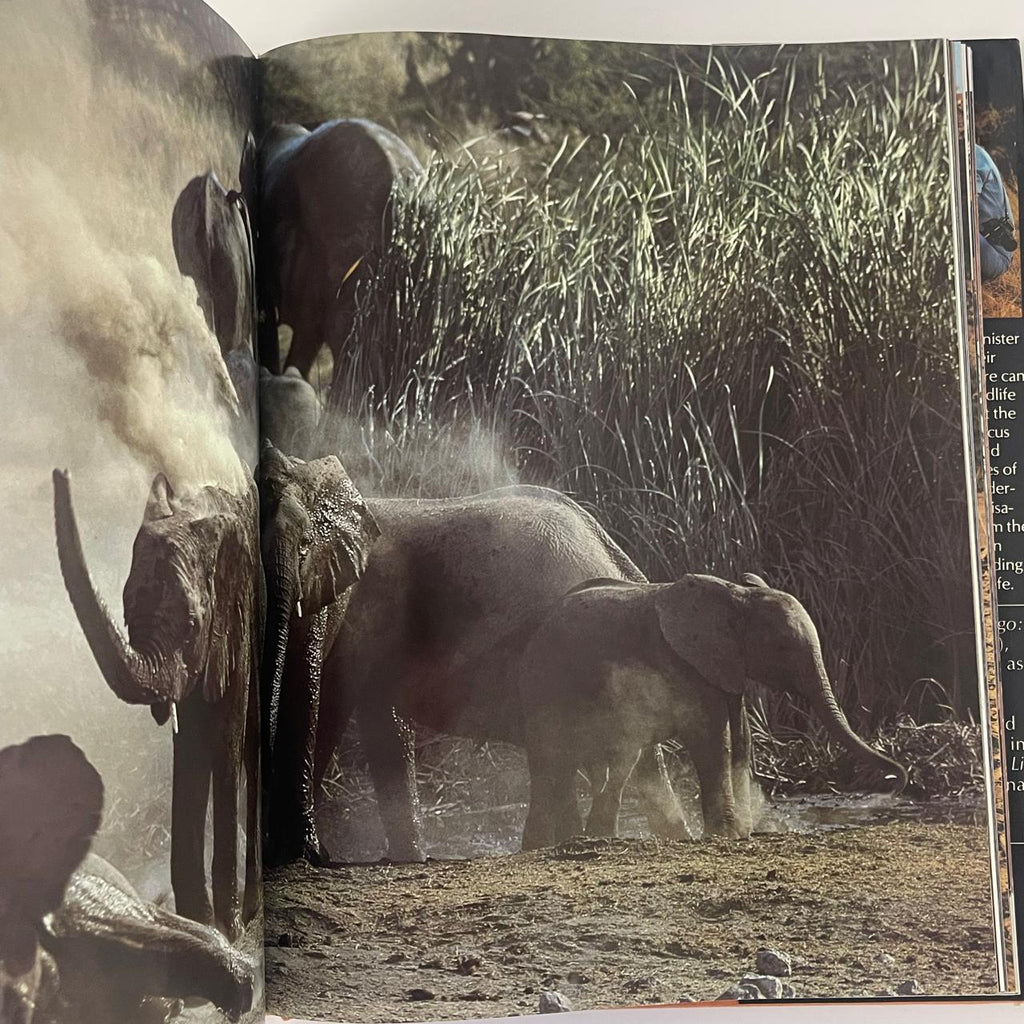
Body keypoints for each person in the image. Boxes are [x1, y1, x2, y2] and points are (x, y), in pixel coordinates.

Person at [976, 144, 1017, 282]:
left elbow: (967, 207)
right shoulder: (976, 152)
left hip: (996, 255)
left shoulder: (973, 156)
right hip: (989, 247)